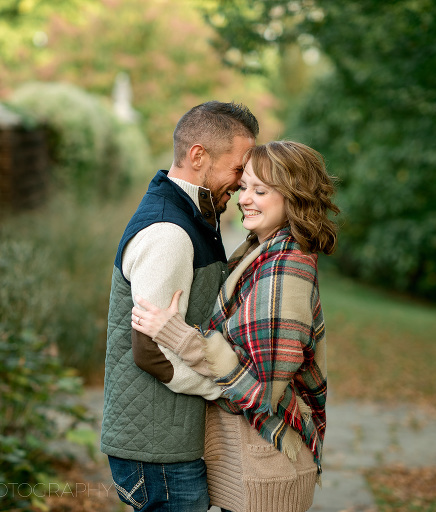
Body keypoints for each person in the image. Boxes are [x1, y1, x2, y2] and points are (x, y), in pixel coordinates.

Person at [131, 140, 339, 512]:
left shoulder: (284, 268)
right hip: (251, 461)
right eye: (244, 187)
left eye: (261, 190)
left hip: (268, 468)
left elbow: (262, 389)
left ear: (294, 198)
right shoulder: (259, 253)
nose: (245, 199)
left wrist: (178, 336)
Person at [101, 100, 260, 511]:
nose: (242, 184)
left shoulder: (195, 217)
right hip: (157, 452)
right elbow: (149, 351)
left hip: (167, 443)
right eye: (239, 169)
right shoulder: (169, 232)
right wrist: (226, 390)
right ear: (198, 156)